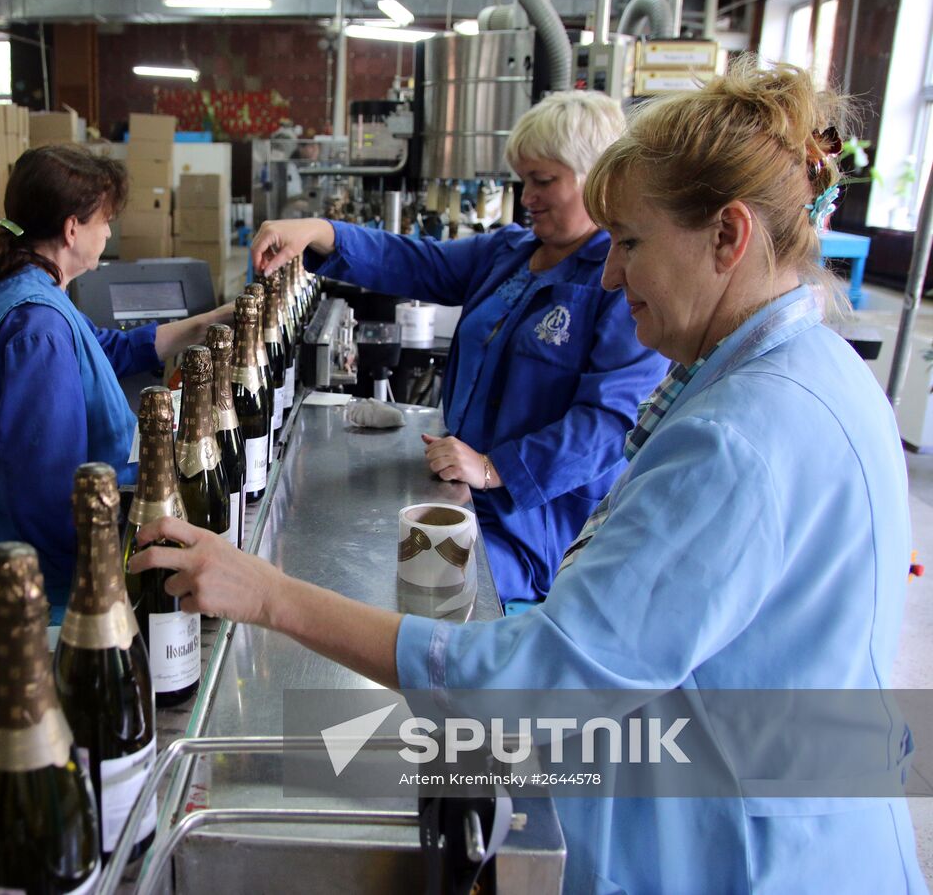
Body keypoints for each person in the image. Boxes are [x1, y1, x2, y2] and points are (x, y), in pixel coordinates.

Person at [130, 59, 923, 892]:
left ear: (728, 236)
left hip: (742, 858)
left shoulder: (740, 439)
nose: (612, 273)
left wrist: (269, 595)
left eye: (631, 243)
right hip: (769, 808)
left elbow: (530, 681)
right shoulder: (819, 369)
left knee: (337, 753)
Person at [251, 91, 668, 603]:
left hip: (532, 526)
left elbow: (610, 424)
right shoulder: (509, 253)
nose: (527, 197)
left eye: (544, 181)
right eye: (523, 180)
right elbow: (415, 261)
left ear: (598, 179)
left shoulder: (617, 284)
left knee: (409, 597)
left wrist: (496, 469)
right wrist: (323, 232)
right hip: (459, 491)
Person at [0, 145, 229, 613]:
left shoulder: (8, 282)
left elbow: (101, 348)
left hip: (11, 539)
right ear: (72, 229)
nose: (108, 232)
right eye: (105, 221)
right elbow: (48, 492)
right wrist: (101, 581)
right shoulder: (37, 327)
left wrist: (204, 324)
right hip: (52, 571)